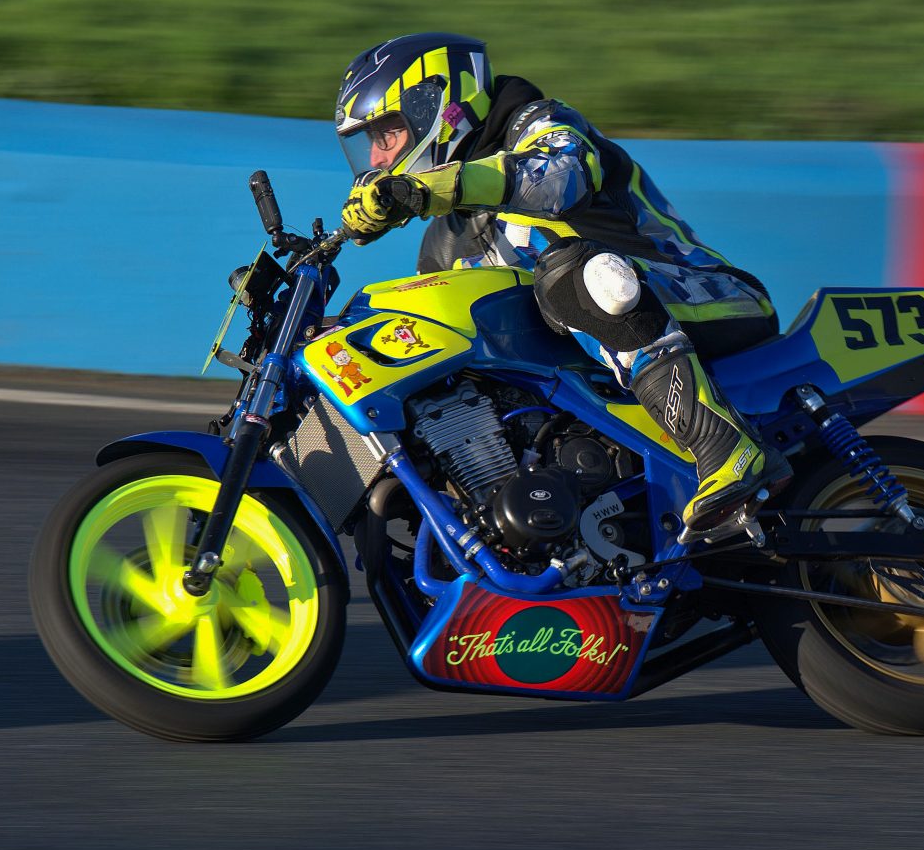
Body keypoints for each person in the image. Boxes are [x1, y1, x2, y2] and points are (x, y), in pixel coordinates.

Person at [334, 32, 791, 535]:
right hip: (596, 375)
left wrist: (428, 188)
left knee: (570, 272)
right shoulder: (444, 244)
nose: (377, 160)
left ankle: (725, 445)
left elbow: (559, 179)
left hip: (706, 296)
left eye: (386, 135)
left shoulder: (538, 123)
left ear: (437, 106)